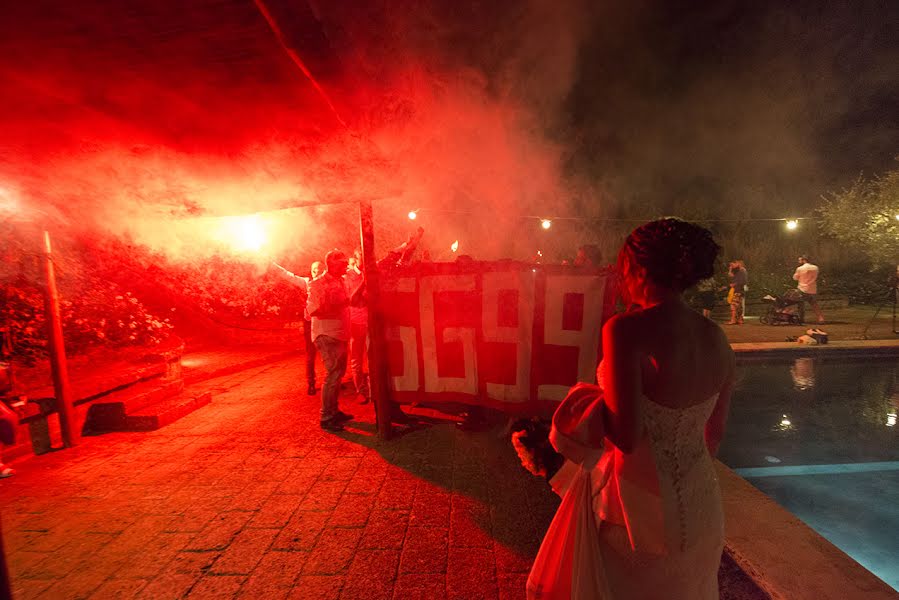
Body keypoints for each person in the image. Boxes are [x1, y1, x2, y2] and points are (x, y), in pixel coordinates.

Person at [537, 218, 735, 598]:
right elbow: (715, 436)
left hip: (636, 515)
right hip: (702, 507)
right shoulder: (716, 338)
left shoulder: (625, 330)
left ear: (637, 268)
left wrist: (585, 403)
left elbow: (626, 436)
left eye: (621, 266)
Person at [306, 250, 362, 432]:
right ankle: (326, 417)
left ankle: (334, 411)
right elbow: (312, 311)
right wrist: (335, 303)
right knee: (332, 375)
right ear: (331, 263)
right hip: (327, 335)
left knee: (337, 375)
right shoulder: (318, 284)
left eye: (346, 262)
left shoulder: (341, 281)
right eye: (342, 262)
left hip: (340, 334)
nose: (346, 265)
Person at [272, 260, 323, 396]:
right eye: (314, 270)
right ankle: (311, 384)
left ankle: (332, 382)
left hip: (325, 322)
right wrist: (273, 265)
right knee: (311, 354)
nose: (316, 272)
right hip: (310, 322)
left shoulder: (327, 282)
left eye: (318, 269)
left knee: (328, 354)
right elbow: (289, 276)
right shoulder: (307, 282)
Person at [345, 249, 370, 404]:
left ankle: (373, 388)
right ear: (356, 258)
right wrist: (364, 281)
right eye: (363, 257)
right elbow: (352, 299)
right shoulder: (347, 276)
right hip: (354, 322)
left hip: (370, 321)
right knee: (356, 359)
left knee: (373, 357)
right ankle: (360, 391)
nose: (366, 260)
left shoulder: (369, 274)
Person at [793, 256, 825, 324]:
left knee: (800, 303)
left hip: (802, 288)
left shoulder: (800, 268)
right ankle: (821, 318)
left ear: (804, 260)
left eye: (800, 260)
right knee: (814, 304)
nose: (799, 261)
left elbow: (795, 278)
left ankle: (801, 319)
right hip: (812, 289)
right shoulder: (815, 268)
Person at [726, 260, 747, 325]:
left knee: (734, 306)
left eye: (732, 265)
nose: (731, 266)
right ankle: (739, 320)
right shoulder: (737, 271)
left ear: (737, 263)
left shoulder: (742, 271)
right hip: (737, 290)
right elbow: (730, 275)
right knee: (737, 306)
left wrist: (734, 284)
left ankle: (734, 320)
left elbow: (743, 281)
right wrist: (730, 269)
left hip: (738, 290)